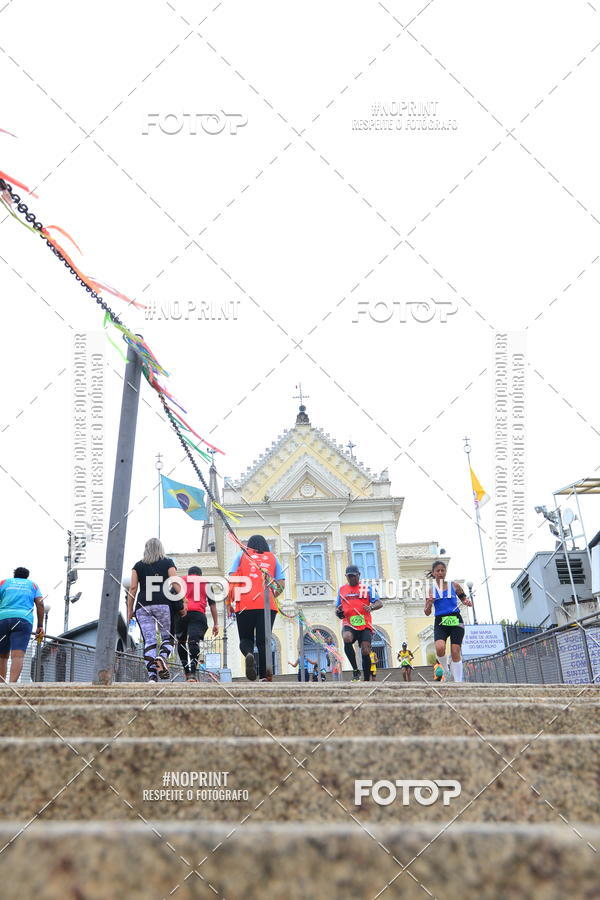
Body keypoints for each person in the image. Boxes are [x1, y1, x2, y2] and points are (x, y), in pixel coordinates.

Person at [228, 534, 285, 681]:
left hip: (245, 603)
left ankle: (249, 654)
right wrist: (271, 597)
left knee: (246, 638)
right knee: (264, 640)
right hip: (267, 605)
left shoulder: (241, 555)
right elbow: (281, 584)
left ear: (249, 546)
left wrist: (230, 601)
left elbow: (232, 578)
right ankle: (265, 676)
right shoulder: (273, 558)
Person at [127, 538, 179, 682]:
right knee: (168, 638)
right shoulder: (168, 562)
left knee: (149, 641)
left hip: (143, 606)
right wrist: (183, 599)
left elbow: (132, 588)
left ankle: (152, 677)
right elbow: (175, 582)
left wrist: (129, 610)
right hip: (163, 604)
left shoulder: (138, 565)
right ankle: (161, 658)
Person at [424, 560, 472, 683]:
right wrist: (429, 603)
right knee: (440, 648)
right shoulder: (431, 590)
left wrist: (467, 602)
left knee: (455, 650)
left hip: (455, 619)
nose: (440, 573)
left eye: (442, 570)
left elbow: (464, 599)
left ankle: (458, 681)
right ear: (433, 573)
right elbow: (427, 612)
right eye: (438, 571)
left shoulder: (454, 585)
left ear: (445, 572)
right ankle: (446, 669)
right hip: (440, 621)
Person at [335, 564, 382, 681]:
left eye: (354, 576)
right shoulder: (342, 590)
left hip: (365, 624)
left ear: (359, 575)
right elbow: (337, 608)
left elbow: (379, 603)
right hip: (349, 623)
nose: (351, 579)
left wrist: (371, 607)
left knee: (365, 650)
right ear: (346, 576)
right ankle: (355, 670)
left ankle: (366, 679)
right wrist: (338, 612)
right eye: (349, 576)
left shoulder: (366, 588)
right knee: (346, 638)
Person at [0, 567, 44, 683]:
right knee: (18, 656)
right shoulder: (33, 585)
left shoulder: (4, 582)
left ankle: (1, 686)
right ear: (27, 576)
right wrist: (40, 625)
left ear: (14, 575)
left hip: (3, 619)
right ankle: (12, 686)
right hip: (23, 620)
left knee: (2, 656)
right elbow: (40, 604)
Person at [176, 566, 219, 682]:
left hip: (181, 614)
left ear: (189, 574)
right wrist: (216, 624)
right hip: (198, 615)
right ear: (199, 575)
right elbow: (212, 605)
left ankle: (186, 672)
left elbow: (171, 598)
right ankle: (193, 674)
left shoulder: (180, 581)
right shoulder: (205, 582)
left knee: (181, 642)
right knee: (194, 642)